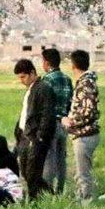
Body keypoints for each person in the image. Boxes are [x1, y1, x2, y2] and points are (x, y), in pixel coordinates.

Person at [61, 49, 101, 203]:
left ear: (73, 65)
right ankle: (83, 199)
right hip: (84, 134)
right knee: (82, 173)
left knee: (83, 174)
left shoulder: (86, 84)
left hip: (85, 135)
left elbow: (88, 111)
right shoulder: (87, 82)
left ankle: (86, 203)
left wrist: (70, 122)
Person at [13, 58, 56, 200]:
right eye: (19, 77)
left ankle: (34, 202)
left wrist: (40, 138)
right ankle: (50, 195)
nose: (21, 80)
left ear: (32, 73)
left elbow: (47, 115)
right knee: (26, 172)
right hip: (25, 136)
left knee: (32, 174)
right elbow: (25, 115)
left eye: (23, 77)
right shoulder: (31, 89)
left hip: (35, 138)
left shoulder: (43, 88)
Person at [40, 47, 72, 194]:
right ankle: (60, 190)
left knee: (49, 159)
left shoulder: (47, 80)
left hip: (51, 124)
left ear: (46, 63)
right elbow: (71, 102)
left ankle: (47, 190)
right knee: (61, 159)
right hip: (64, 124)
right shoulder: (67, 79)